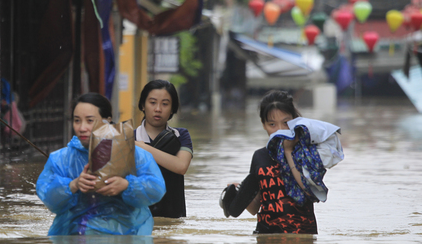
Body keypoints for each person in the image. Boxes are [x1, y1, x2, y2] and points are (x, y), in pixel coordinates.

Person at [36, 93, 166, 236]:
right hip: (74, 239)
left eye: (90, 121)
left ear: (107, 121)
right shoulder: (61, 159)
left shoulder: (135, 155)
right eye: (77, 120)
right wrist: (73, 185)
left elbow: (157, 189)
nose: (82, 127)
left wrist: (127, 185)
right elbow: (47, 197)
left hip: (127, 241)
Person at [221, 90, 342, 234]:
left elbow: (310, 191)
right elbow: (255, 208)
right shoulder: (260, 156)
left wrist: (288, 152)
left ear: (295, 120)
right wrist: (238, 191)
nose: (279, 130)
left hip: (303, 236)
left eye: (285, 123)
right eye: (272, 124)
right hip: (266, 236)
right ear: (264, 125)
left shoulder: (309, 154)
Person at [134, 80, 193, 218]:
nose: (158, 109)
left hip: (172, 220)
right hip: (138, 220)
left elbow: (181, 166)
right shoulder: (128, 136)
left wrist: (142, 147)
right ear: (143, 105)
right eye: (152, 102)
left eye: (165, 104)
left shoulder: (181, 135)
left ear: (172, 108)